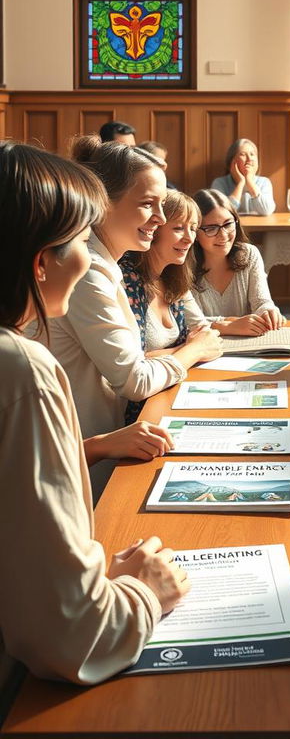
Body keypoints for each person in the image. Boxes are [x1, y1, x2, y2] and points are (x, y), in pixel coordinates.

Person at [0, 140, 189, 684]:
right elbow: (72, 635)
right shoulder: (21, 372)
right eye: (80, 238)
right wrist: (141, 592)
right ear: (41, 262)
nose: (90, 255)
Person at [45, 137, 223, 493]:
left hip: (104, 443)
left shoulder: (105, 266)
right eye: (147, 205)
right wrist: (192, 351)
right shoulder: (89, 272)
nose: (159, 218)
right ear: (102, 204)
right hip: (76, 454)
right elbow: (134, 380)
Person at [120, 189, 212, 365]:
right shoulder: (125, 280)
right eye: (178, 228)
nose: (189, 238)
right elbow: (130, 364)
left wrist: (195, 349)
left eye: (193, 229)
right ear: (153, 230)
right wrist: (192, 350)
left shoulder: (174, 278)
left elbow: (206, 336)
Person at [191, 189, 285, 334]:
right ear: (195, 232)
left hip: (248, 347)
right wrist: (229, 326)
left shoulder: (249, 254)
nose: (223, 235)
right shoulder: (184, 266)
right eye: (211, 228)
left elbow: (261, 302)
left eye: (228, 224)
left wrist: (268, 311)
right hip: (202, 349)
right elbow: (187, 322)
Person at [210, 138, 275, 215]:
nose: (249, 159)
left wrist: (249, 182)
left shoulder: (264, 182)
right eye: (243, 154)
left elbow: (266, 210)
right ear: (232, 161)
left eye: (252, 154)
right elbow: (222, 213)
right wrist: (241, 183)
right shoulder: (219, 183)